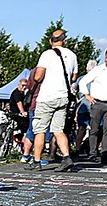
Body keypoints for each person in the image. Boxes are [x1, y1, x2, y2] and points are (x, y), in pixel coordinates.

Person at [31, 29, 78, 171]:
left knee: (40, 130)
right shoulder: (72, 55)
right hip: (63, 96)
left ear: (51, 40)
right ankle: (66, 157)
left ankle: (36, 161)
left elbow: (38, 76)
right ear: (64, 40)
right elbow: (74, 77)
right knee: (58, 130)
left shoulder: (47, 54)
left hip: (47, 97)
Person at [9, 78, 30, 148]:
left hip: (18, 114)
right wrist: (23, 112)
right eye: (22, 85)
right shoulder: (17, 93)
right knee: (26, 130)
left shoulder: (22, 93)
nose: (24, 87)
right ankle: (24, 146)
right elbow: (19, 103)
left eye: (25, 86)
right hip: (16, 114)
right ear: (19, 85)